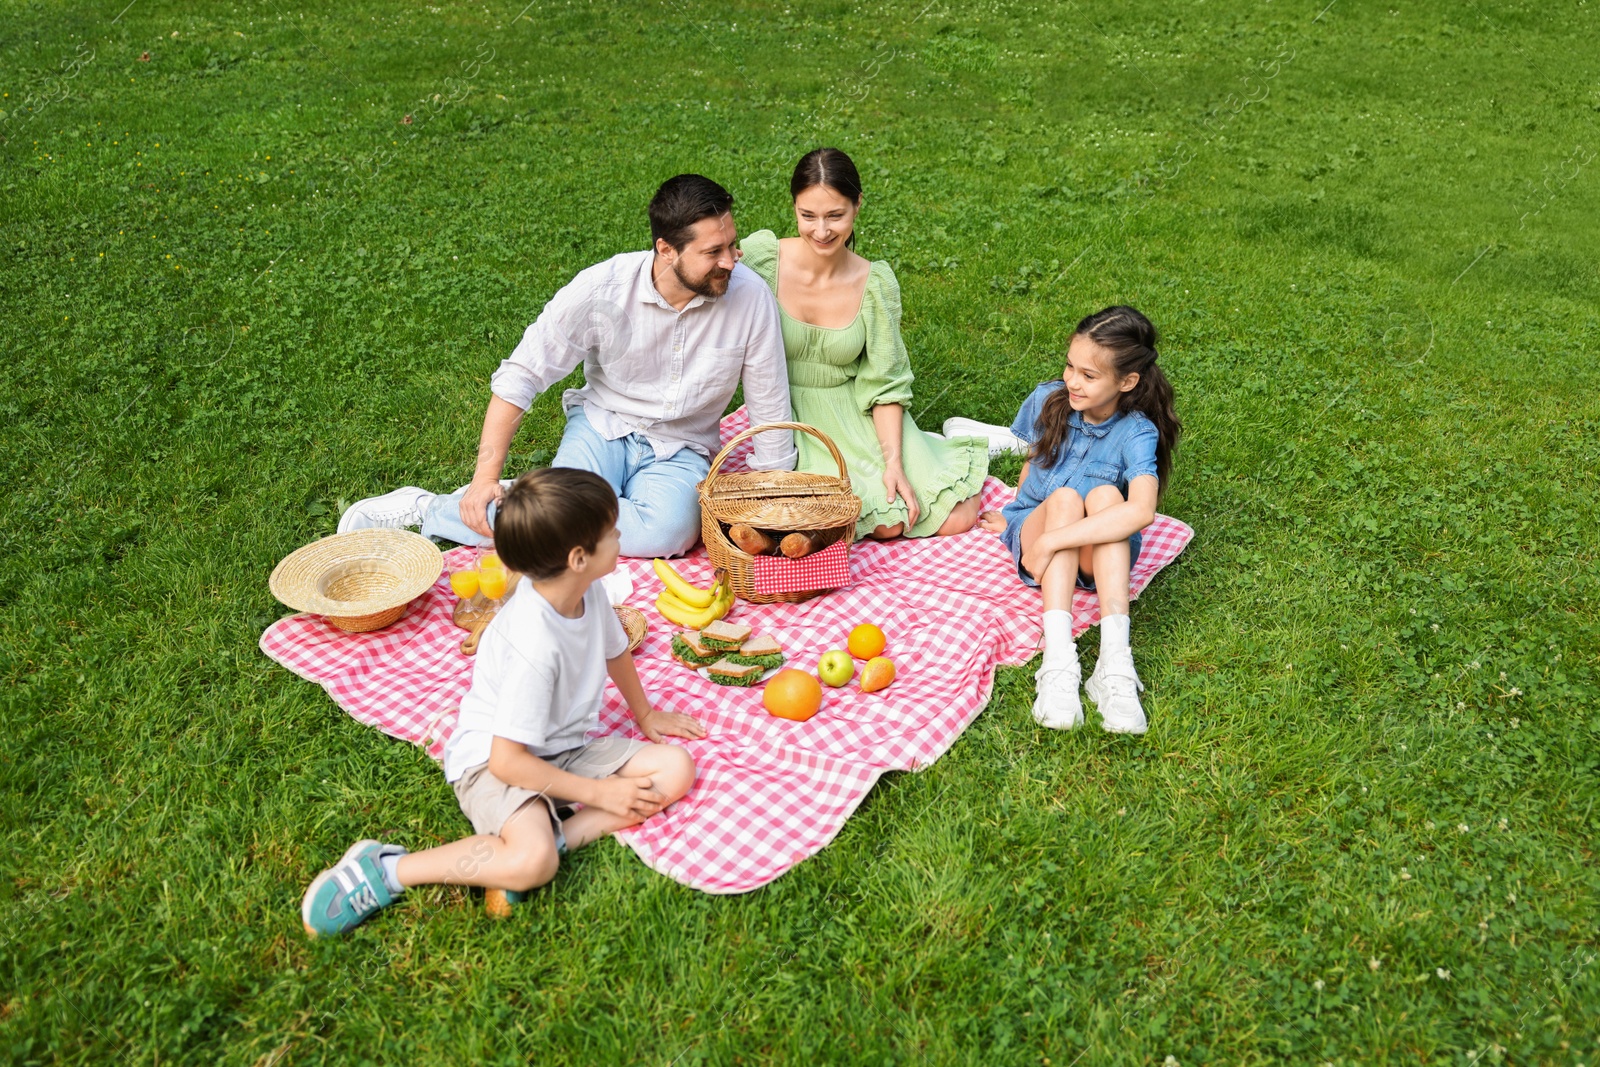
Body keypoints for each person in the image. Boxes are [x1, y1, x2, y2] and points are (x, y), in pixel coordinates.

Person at [301, 468, 706, 936]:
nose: (620, 538)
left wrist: (647, 713)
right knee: (534, 864)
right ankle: (388, 869)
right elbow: (508, 763)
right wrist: (601, 794)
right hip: (493, 764)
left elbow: (614, 648)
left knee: (676, 768)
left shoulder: (585, 591)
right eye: (612, 533)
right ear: (578, 557)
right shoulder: (533, 646)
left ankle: (550, 836)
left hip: (560, 749)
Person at [338, 174, 795, 559]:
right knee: (565, 521)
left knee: (667, 535)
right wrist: (484, 480)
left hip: (682, 447)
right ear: (667, 249)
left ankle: (542, 500)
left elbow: (769, 404)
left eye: (732, 245)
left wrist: (779, 508)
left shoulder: (749, 296)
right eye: (714, 251)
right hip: (603, 426)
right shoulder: (601, 289)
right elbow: (522, 375)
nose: (731, 261)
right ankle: (430, 508)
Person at [737, 148, 987, 541]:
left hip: (855, 409)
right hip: (786, 410)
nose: (821, 231)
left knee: (933, 517)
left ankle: (934, 448)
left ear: (857, 206)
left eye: (835, 215)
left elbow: (884, 380)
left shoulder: (875, 284)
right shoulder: (761, 260)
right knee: (830, 522)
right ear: (794, 208)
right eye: (808, 216)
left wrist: (894, 463)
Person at [978, 306, 1181, 735]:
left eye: (1089, 376)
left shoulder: (1137, 432)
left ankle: (1114, 665)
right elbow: (1033, 463)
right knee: (1066, 497)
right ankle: (1058, 662)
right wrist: (1017, 519)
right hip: (1040, 531)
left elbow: (1142, 511)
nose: (1072, 381)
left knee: (1108, 497)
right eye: (1071, 366)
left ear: (1127, 382)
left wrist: (1053, 542)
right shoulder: (1050, 400)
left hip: (1088, 556)